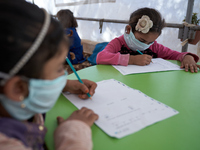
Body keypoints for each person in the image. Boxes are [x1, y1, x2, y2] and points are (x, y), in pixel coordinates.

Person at [0, 1, 98, 150]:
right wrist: (75, 131)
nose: (64, 74)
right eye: (59, 69)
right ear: (18, 88)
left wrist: (66, 85)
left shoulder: (17, 98)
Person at [96, 7, 200, 73]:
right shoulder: (118, 43)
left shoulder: (153, 46)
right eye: (141, 40)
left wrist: (187, 56)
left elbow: (174, 54)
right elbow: (101, 57)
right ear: (128, 29)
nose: (145, 45)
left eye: (150, 42)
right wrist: (132, 60)